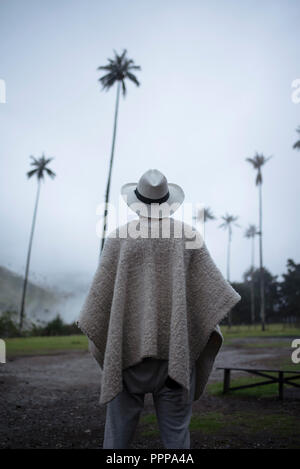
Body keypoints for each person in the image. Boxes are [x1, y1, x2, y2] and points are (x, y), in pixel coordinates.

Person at [77, 168, 241, 449]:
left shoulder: (119, 238)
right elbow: (212, 295)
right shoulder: (189, 237)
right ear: (167, 201)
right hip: (176, 355)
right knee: (177, 437)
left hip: (125, 354)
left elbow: (100, 302)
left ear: (136, 200)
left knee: (116, 438)